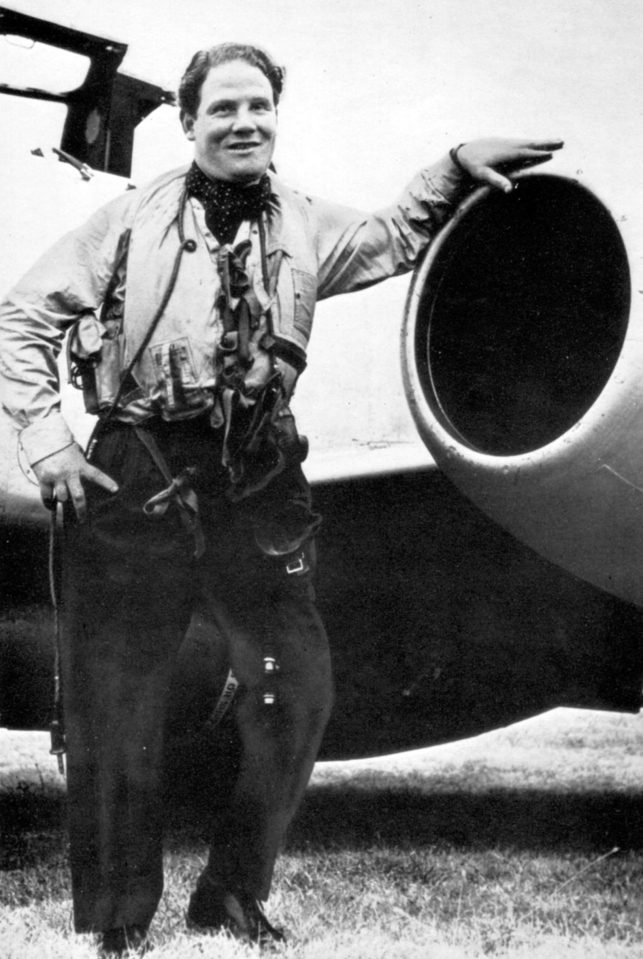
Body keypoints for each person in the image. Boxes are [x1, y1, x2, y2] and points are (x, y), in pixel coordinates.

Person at [0, 40, 562, 957]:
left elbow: (389, 235)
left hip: (257, 477)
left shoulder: (304, 223)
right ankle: (117, 921)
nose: (243, 123)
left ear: (274, 118)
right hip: (137, 469)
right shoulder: (125, 225)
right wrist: (51, 445)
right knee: (117, 701)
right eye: (221, 109)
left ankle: (232, 893)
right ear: (188, 125)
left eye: (258, 106)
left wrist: (454, 167)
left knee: (298, 687)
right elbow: (22, 318)